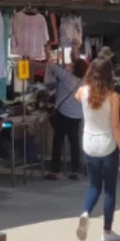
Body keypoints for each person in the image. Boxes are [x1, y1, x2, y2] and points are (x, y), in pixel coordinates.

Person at [74, 55, 120, 241]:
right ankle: (107, 231)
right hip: (107, 144)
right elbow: (116, 126)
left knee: (94, 185)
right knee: (110, 189)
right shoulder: (113, 97)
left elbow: (78, 96)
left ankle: (86, 212)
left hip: (88, 142)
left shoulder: (82, 92)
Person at [40, 41, 87, 181]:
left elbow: (51, 65)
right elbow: (78, 62)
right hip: (77, 115)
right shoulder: (85, 80)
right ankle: (76, 170)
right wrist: (75, 49)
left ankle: (55, 171)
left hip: (63, 114)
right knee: (74, 143)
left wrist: (47, 50)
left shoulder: (66, 77)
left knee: (58, 141)